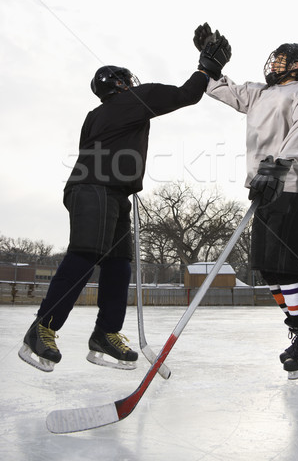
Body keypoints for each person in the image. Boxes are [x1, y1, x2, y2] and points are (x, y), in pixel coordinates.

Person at [19, 37, 231, 372]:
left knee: (119, 264)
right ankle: (42, 327)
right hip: (95, 189)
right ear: (122, 84)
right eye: (129, 82)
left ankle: (105, 333)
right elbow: (185, 95)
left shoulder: (96, 114)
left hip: (110, 192)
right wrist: (206, 68)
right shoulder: (135, 98)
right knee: (85, 255)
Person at [193, 23, 298, 379]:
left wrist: (279, 166)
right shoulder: (257, 93)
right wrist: (208, 65)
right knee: (269, 270)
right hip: (264, 190)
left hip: (293, 191)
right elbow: (221, 90)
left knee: (290, 268)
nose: (275, 63)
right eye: (276, 58)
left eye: (283, 59)